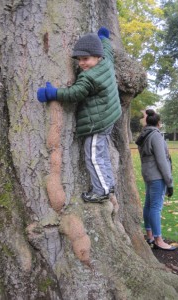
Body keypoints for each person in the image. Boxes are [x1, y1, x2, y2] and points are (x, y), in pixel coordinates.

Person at [37, 27, 122, 203]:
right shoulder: (106, 61)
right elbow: (107, 49)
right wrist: (103, 38)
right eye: (79, 60)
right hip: (110, 116)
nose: (82, 63)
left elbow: (74, 93)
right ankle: (108, 184)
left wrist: (53, 93)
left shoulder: (88, 77)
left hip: (98, 122)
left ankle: (102, 191)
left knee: (93, 155)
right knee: (102, 153)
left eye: (86, 59)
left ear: (97, 56)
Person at [136, 109, 177, 250]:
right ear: (158, 123)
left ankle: (150, 236)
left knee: (148, 206)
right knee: (155, 208)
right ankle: (159, 240)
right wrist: (169, 183)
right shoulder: (156, 136)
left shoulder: (144, 135)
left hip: (148, 175)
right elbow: (162, 161)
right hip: (157, 176)